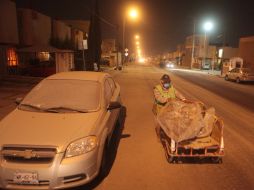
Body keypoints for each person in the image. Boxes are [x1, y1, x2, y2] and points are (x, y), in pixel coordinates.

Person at [153, 74, 186, 149]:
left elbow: (177, 93)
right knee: (158, 124)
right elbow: (158, 98)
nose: (167, 84)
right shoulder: (157, 88)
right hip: (160, 108)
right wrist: (167, 100)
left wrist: (183, 98)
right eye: (165, 82)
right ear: (161, 82)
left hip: (171, 107)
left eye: (168, 82)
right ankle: (158, 136)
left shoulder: (172, 88)